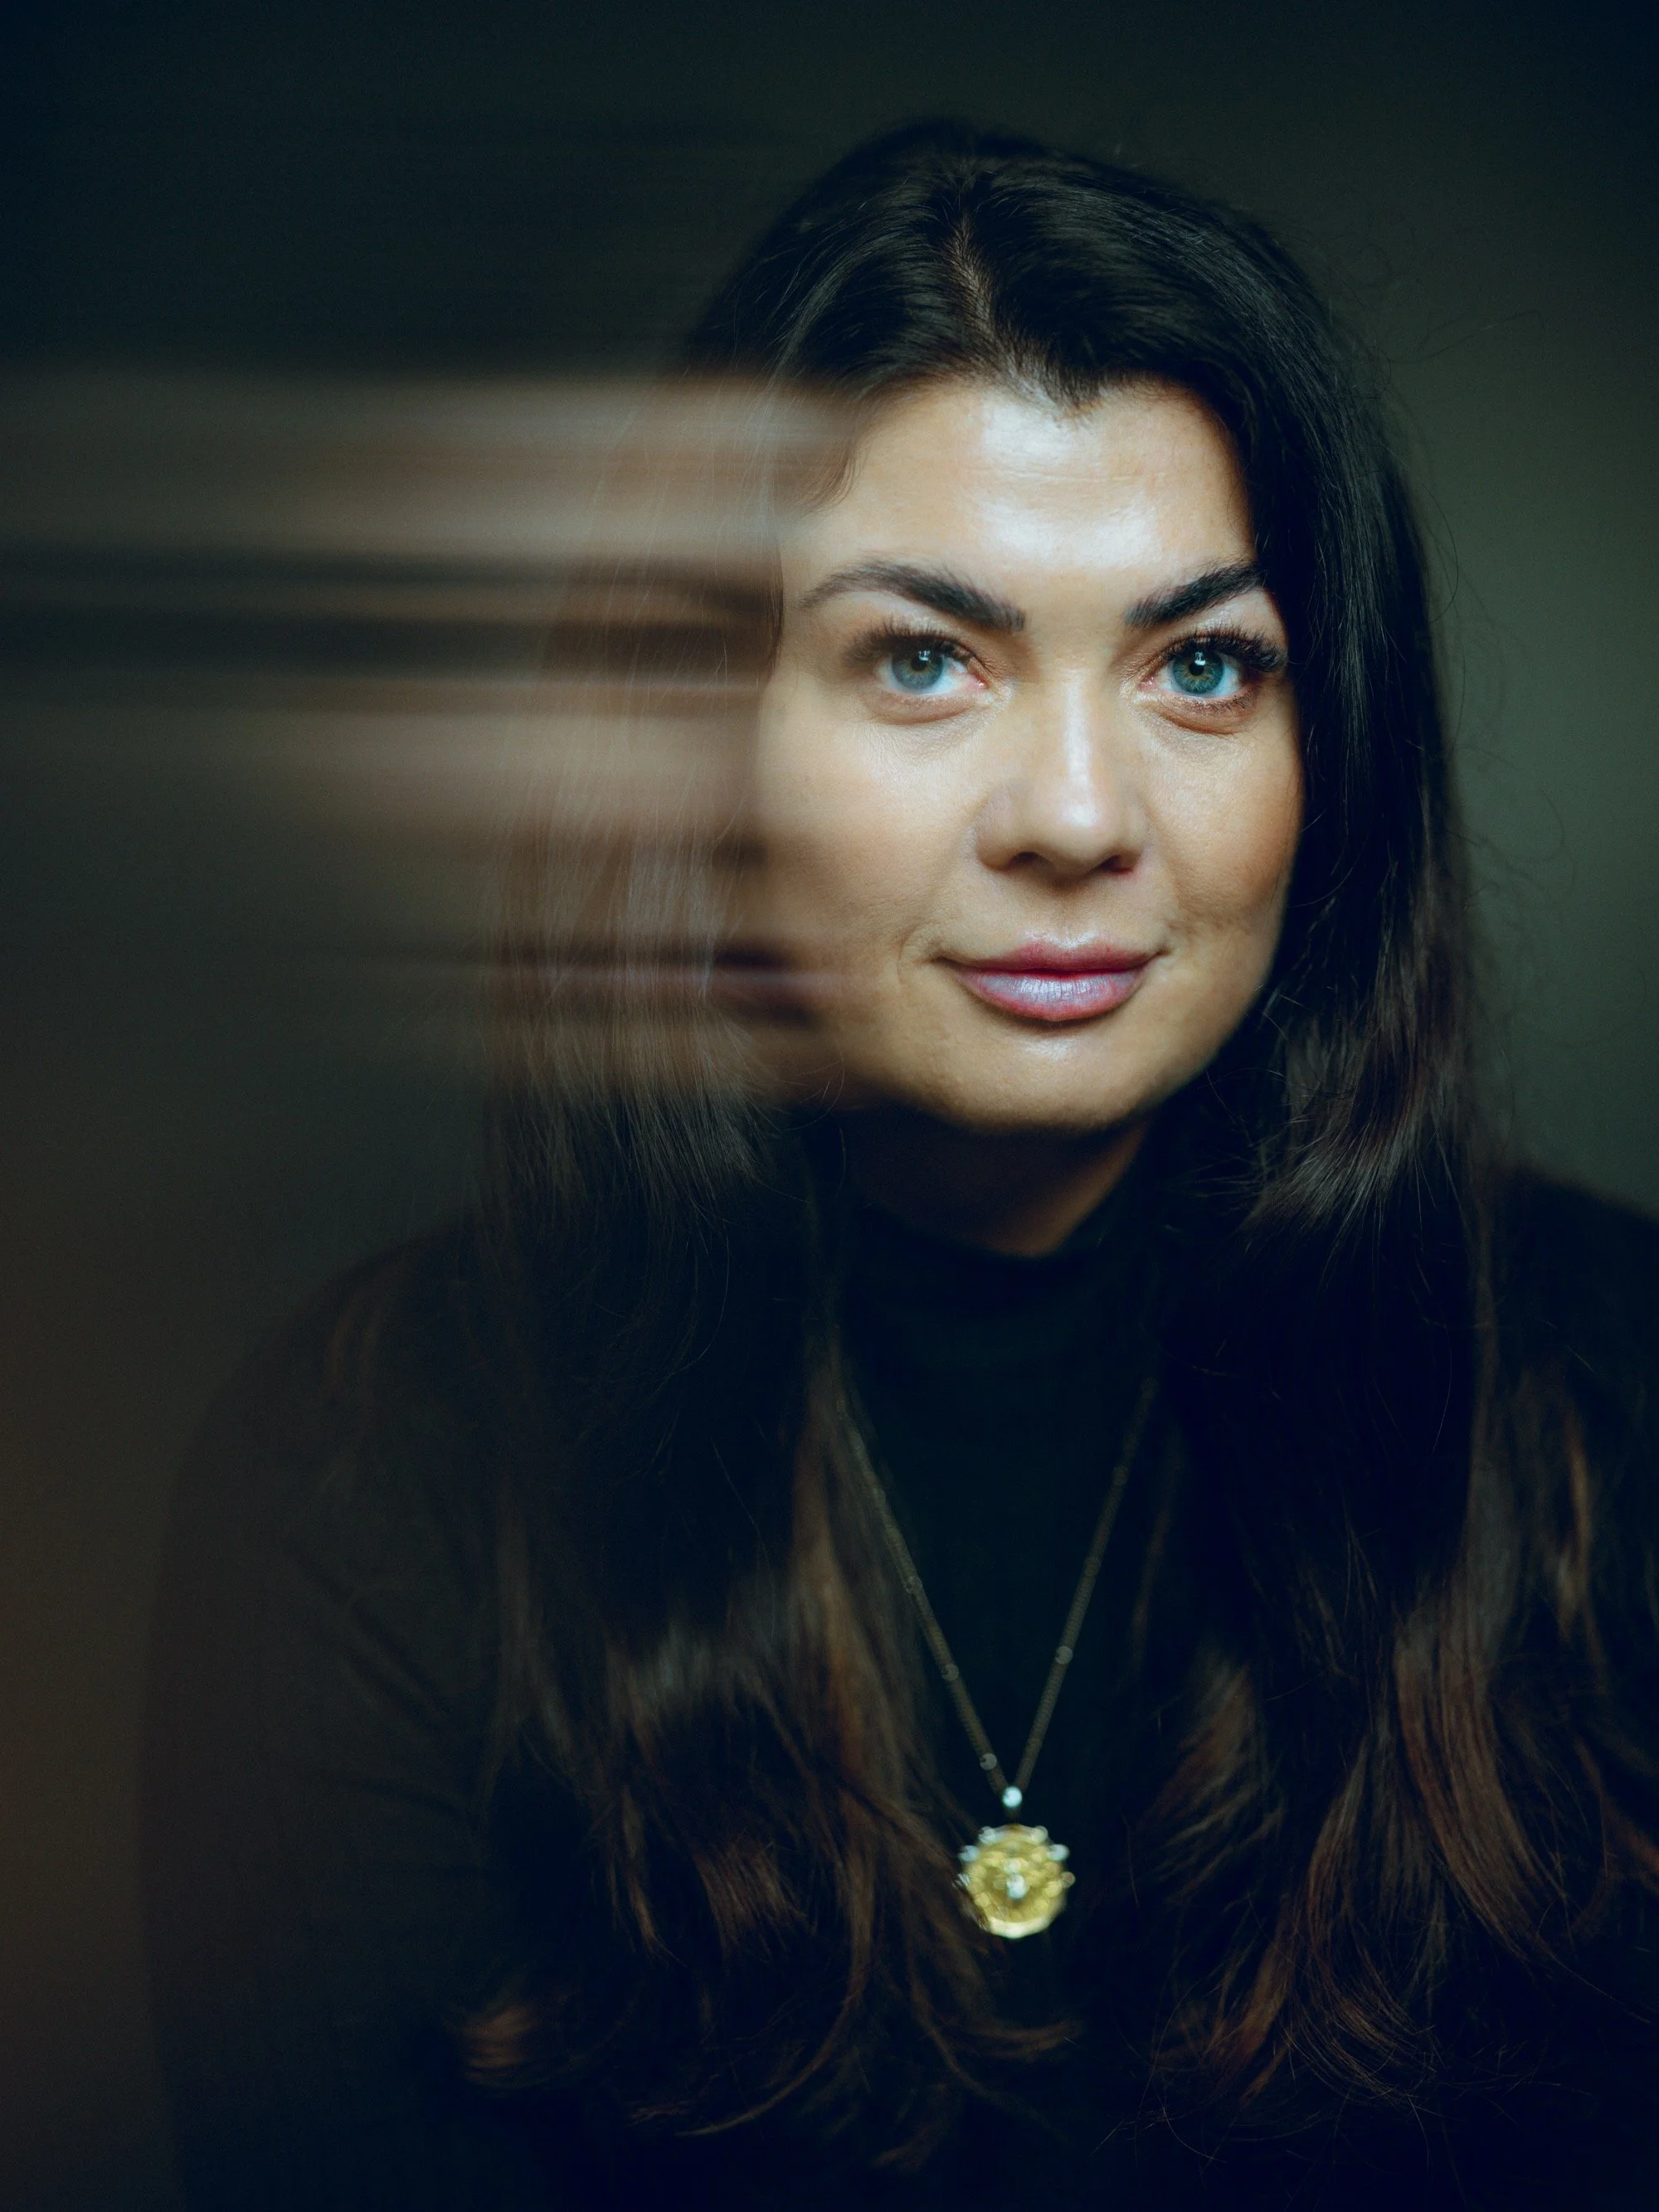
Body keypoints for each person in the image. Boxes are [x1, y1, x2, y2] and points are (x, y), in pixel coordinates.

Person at [144, 123, 1659, 2210]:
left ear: (1337, 762)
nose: (1072, 813)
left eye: (1199, 663)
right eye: (921, 658)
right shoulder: (368, 1490)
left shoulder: (1614, 1407)